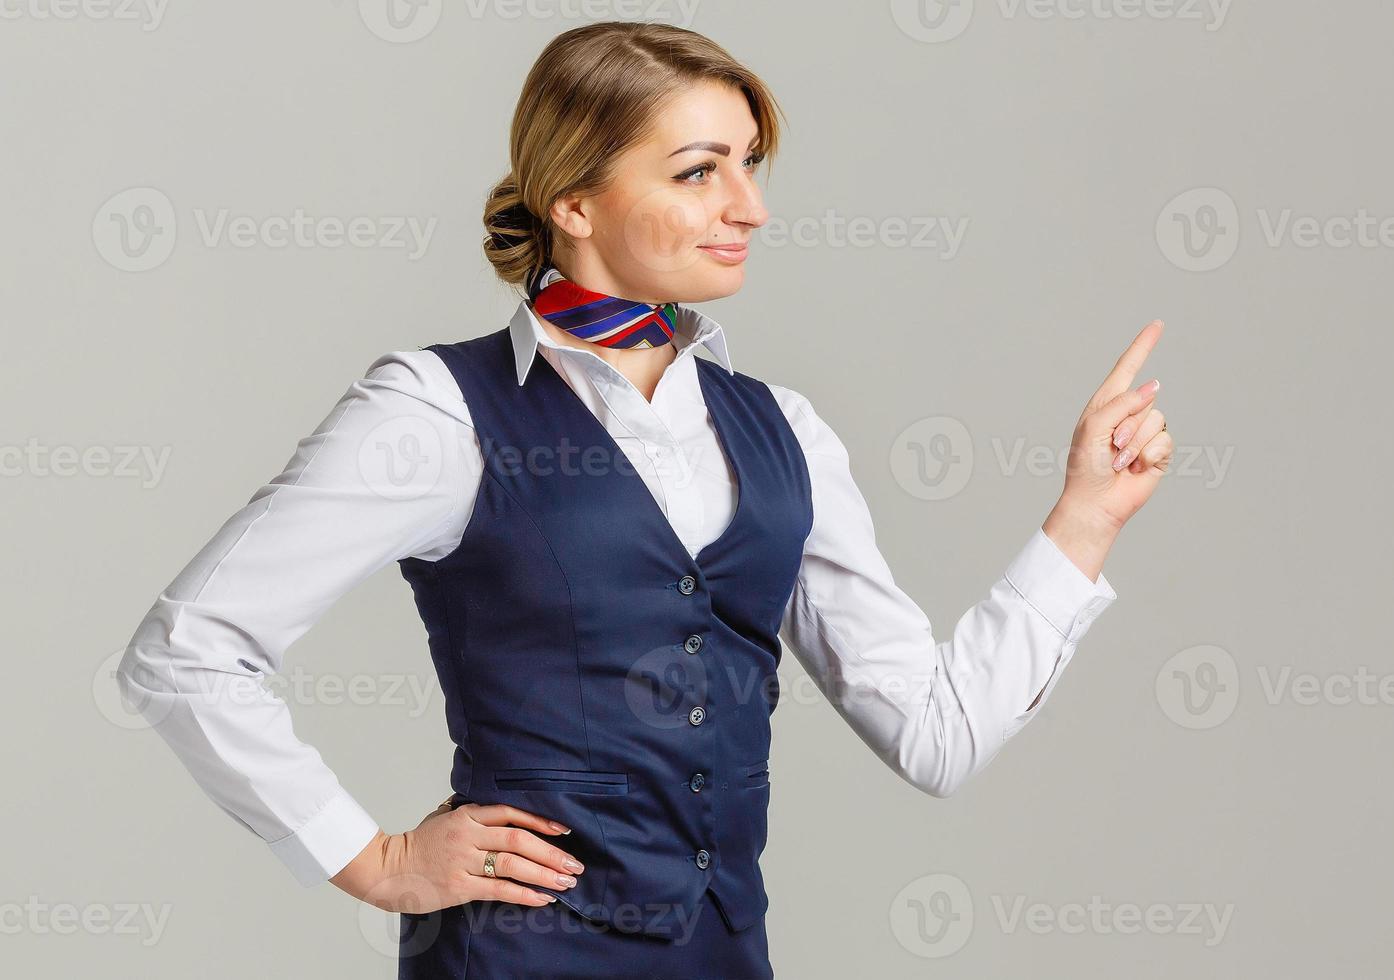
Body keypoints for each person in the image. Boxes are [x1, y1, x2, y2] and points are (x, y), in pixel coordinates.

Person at [115, 21, 1172, 980]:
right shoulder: (438, 411)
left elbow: (937, 737)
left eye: (750, 165)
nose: (749, 206)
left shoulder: (785, 429)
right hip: (514, 961)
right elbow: (188, 647)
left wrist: (1085, 517)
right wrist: (371, 857)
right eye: (700, 171)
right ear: (574, 200)